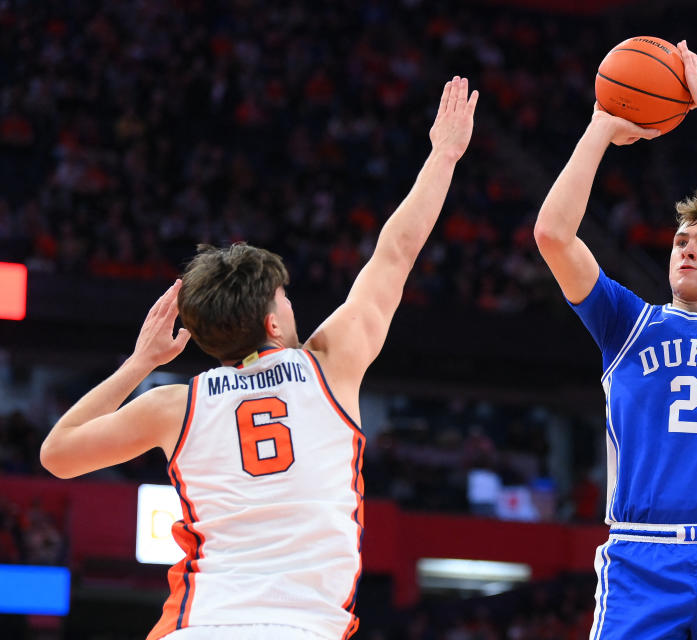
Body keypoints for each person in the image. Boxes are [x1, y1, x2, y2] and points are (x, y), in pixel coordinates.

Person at [39, 77, 479, 640]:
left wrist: (139, 363)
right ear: (273, 323)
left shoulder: (173, 406)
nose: (292, 303)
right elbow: (396, 252)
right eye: (286, 297)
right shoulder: (330, 364)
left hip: (197, 626)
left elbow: (56, 455)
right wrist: (444, 154)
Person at [534, 41, 697, 639]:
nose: (687, 248)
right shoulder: (625, 323)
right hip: (639, 556)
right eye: (682, 240)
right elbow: (552, 233)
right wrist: (600, 127)